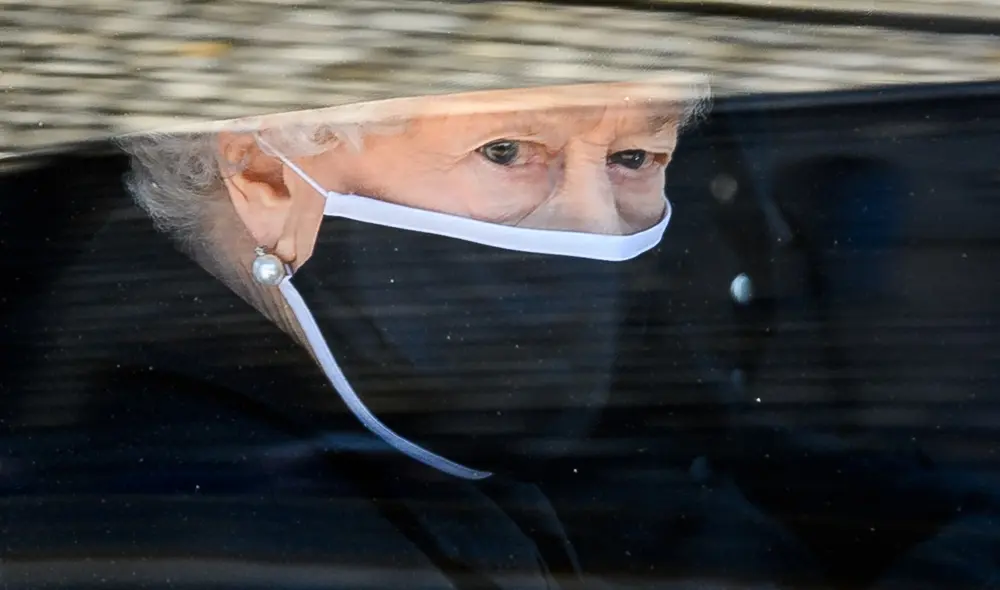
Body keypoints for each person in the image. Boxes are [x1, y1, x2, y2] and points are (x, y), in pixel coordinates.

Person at [4, 76, 997, 589]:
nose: (598, 227)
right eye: (509, 148)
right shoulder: (173, 526)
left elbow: (680, 470)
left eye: (636, 155)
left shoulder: (432, 408)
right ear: (265, 177)